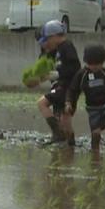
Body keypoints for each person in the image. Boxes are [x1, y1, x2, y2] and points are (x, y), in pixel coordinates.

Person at [28, 19, 81, 147]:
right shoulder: (55, 50)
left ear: (54, 36)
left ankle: (59, 135)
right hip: (62, 85)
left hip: (67, 86)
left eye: (47, 40)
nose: (46, 44)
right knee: (64, 117)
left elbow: (75, 67)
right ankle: (69, 144)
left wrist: (57, 74)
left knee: (42, 103)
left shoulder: (66, 46)